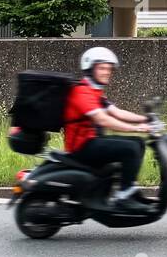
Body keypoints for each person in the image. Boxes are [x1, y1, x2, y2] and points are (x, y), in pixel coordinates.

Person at [64, 46, 155, 213]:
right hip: (81, 147)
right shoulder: (81, 92)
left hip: (92, 141)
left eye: (109, 68)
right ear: (90, 69)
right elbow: (103, 119)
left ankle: (129, 190)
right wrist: (137, 128)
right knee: (130, 149)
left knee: (139, 144)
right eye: (102, 68)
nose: (107, 72)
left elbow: (117, 112)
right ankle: (123, 197)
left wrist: (146, 118)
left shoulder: (95, 92)